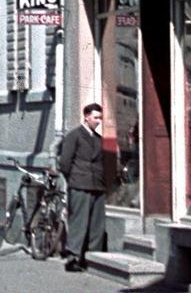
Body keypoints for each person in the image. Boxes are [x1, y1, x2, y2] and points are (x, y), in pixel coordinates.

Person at [58, 102, 108, 273]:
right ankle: (73, 257)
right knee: (79, 222)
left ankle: (94, 256)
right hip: (80, 184)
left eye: (100, 118)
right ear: (86, 117)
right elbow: (65, 162)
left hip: (97, 185)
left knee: (96, 223)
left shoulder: (98, 139)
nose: (98, 121)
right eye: (95, 118)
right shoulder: (74, 136)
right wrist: (74, 178)